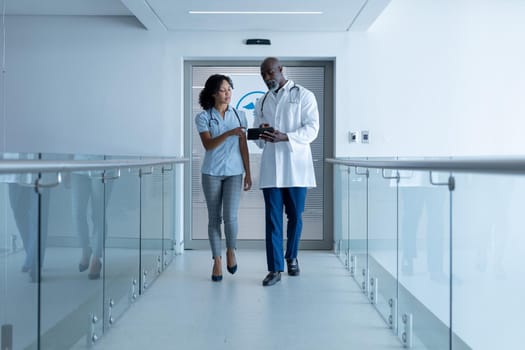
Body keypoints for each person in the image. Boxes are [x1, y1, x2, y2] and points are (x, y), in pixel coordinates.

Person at [253, 57, 319, 286]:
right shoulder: (261, 101)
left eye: (270, 72)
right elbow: (259, 140)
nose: (267, 78)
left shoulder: (303, 95)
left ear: (281, 70)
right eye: (263, 75)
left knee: (295, 216)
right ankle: (274, 269)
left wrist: (286, 136)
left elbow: (312, 129)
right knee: (272, 220)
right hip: (271, 168)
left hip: (296, 167)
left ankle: (291, 257)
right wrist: (261, 133)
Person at [195, 74, 252, 282]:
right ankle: (217, 260)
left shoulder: (240, 115)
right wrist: (229, 133)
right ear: (213, 93)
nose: (227, 93)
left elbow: (243, 146)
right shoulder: (203, 117)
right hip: (211, 173)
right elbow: (208, 145)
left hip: (234, 173)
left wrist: (248, 173)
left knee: (230, 217)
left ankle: (230, 250)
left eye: (229, 89)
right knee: (214, 219)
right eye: (222, 90)